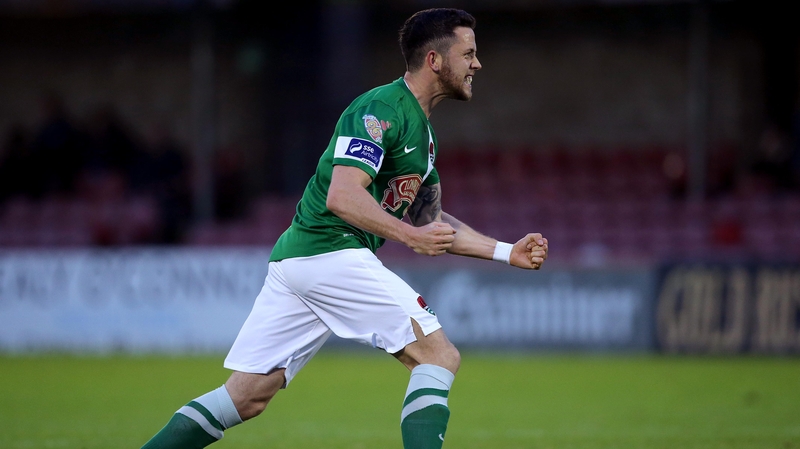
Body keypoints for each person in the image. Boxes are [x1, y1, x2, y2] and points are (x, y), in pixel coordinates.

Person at [140, 8, 548, 449]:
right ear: (434, 60)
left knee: (246, 397)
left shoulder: (423, 137)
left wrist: (507, 252)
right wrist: (409, 237)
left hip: (301, 261)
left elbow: (431, 221)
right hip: (329, 250)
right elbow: (343, 194)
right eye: (468, 53)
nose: (477, 64)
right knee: (438, 354)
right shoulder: (380, 110)